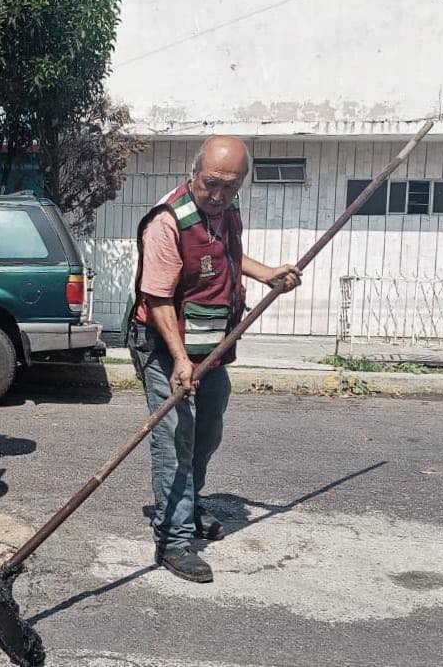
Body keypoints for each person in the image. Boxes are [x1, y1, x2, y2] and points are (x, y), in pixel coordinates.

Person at [127, 136, 300, 582]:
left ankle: (186, 503)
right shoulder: (167, 222)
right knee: (174, 437)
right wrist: (180, 360)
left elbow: (227, 256)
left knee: (206, 432)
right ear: (193, 172)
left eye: (230, 186)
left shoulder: (227, 210)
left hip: (212, 346)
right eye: (211, 184)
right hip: (165, 344)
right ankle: (173, 540)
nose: (219, 195)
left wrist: (266, 274)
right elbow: (159, 298)